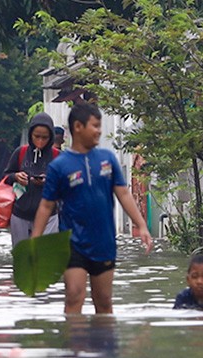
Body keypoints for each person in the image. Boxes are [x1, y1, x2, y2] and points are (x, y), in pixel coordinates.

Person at [32, 102, 153, 314]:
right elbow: (46, 205)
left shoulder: (107, 159)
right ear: (78, 127)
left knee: (104, 301)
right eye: (95, 126)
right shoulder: (59, 166)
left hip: (103, 242)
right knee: (74, 296)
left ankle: (104, 345)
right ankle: (75, 345)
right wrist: (35, 241)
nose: (99, 131)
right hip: (73, 243)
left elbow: (123, 193)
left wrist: (141, 225)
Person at [3, 112, 60, 247]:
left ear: (51, 137)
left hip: (49, 216)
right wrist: (16, 176)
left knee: (46, 259)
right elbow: (6, 177)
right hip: (20, 214)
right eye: (37, 137)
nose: (40, 141)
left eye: (44, 137)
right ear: (30, 135)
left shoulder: (58, 156)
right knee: (23, 258)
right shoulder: (20, 153)